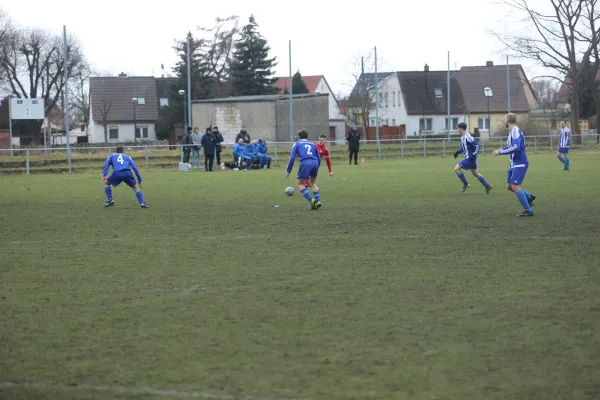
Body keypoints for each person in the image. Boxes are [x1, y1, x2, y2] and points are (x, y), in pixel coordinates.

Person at [492, 113, 536, 217]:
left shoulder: (515, 131)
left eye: (504, 120)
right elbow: (510, 147)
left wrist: (500, 152)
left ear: (507, 121)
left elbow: (516, 147)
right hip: (513, 163)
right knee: (509, 186)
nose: (504, 122)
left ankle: (528, 210)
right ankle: (529, 197)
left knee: (515, 187)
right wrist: (500, 150)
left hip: (520, 163)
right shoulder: (512, 132)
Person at [286, 129, 322, 210]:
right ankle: (318, 201)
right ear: (307, 136)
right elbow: (318, 157)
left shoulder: (297, 144)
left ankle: (312, 200)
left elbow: (292, 158)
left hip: (305, 162)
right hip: (315, 162)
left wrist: (288, 171)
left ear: (299, 136)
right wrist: (317, 166)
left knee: (300, 184)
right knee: (312, 183)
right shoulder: (313, 144)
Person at [452, 122, 492, 194]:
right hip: (470, 158)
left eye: (457, 128)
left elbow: (477, 146)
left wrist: (473, 155)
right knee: (475, 174)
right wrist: (457, 152)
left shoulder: (468, 137)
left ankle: (466, 184)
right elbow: (463, 147)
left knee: (456, 169)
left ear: (461, 129)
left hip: (469, 158)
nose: (457, 130)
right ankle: (487, 186)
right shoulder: (462, 137)